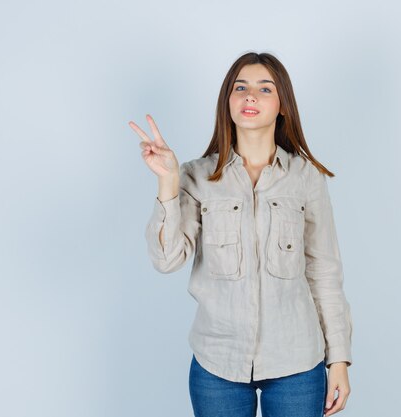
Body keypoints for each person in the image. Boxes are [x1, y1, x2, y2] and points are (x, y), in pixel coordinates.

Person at [129, 51, 353, 417]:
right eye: (241, 87)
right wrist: (168, 180)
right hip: (218, 363)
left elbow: (325, 273)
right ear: (227, 101)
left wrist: (339, 360)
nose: (251, 96)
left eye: (265, 88)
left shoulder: (305, 177)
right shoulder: (195, 176)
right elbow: (166, 260)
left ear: (282, 105)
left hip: (297, 362)